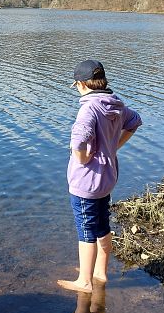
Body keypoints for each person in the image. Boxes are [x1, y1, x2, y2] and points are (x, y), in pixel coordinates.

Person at [57, 60, 142, 294]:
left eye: (76, 85)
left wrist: (83, 159)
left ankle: (84, 281)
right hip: (107, 177)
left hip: (86, 181)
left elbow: (78, 142)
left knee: (85, 230)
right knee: (102, 224)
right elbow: (135, 122)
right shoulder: (115, 104)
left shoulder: (89, 108)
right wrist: (114, 147)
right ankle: (100, 273)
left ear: (82, 84)